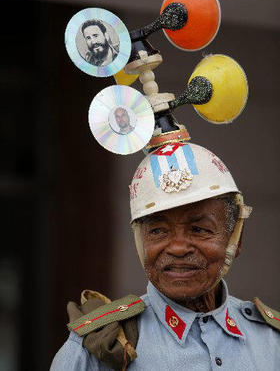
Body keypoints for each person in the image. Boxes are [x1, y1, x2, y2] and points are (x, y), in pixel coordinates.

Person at [50, 142, 280, 370]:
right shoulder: (96, 350)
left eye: (199, 229)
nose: (178, 248)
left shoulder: (272, 342)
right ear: (141, 242)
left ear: (235, 239)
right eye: (158, 231)